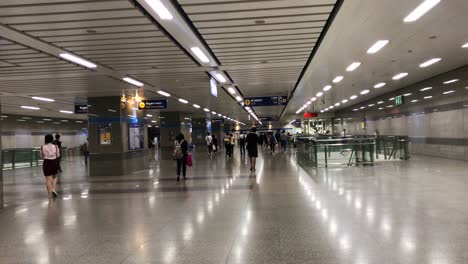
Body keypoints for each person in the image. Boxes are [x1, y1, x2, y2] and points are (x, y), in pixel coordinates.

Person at [41, 134, 60, 198]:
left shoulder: (42, 147)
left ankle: (49, 194)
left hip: (46, 163)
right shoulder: (56, 146)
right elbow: (58, 155)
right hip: (54, 162)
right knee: (55, 177)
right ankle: (53, 189)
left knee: (48, 179)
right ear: (52, 139)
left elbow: (41, 156)